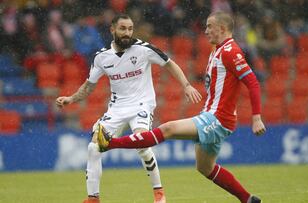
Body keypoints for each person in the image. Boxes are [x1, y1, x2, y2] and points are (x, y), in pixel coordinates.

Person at [96, 12, 266, 203]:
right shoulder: (217, 51)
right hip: (213, 115)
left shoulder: (230, 51)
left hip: (218, 118)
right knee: (205, 168)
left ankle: (110, 143)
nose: (206, 30)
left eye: (210, 26)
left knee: (168, 129)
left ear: (222, 29)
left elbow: (252, 82)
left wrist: (256, 117)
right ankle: (247, 199)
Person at [56, 14, 201, 203]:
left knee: (142, 144)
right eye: (123, 28)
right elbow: (89, 85)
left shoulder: (143, 49)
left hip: (142, 104)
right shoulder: (101, 57)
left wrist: (187, 85)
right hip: (116, 108)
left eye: (130, 29)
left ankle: (159, 193)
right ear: (112, 30)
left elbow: (169, 63)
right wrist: (71, 98)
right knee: (93, 147)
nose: (127, 33)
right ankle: (93, 198)